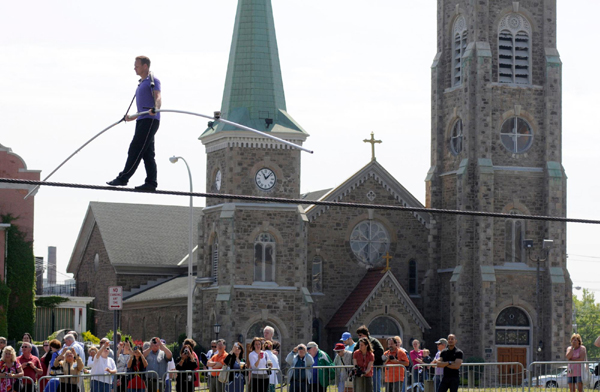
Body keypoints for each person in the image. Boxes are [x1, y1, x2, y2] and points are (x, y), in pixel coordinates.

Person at [107, 55, 162, 192]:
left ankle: (123, 178)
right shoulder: (141, 83)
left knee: (135, 148)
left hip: (150, 120)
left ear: (145, 66)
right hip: (142, 120)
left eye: (137, 66)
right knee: (147, 153)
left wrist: (155, 108)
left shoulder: (153, 81)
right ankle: (151, 182)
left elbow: (158, 97)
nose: (134, 68)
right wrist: (130, 117)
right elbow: (141, 109)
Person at [355, 326, 384, 392]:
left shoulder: (374, 341)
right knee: (366, 387)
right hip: (363, 368)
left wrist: (371, 360)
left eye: (360, 335)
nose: (359, 337)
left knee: (376, 386)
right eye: (358, 336)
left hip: (375, 367)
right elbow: (354, 353)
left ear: (366, 334)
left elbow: (380, 350)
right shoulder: (359, 343)